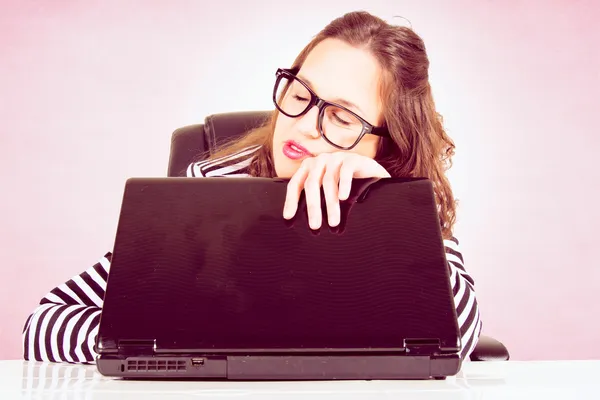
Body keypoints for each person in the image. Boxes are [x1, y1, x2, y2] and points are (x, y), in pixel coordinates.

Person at [22, 10, 482, 364]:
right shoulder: (209, 191)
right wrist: (177, 339)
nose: (303, 126)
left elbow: (460, 341)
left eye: (342, 118)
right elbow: (42, 326)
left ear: (389, 144)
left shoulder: (406, 201)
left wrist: (392, 218)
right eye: (300, 96)